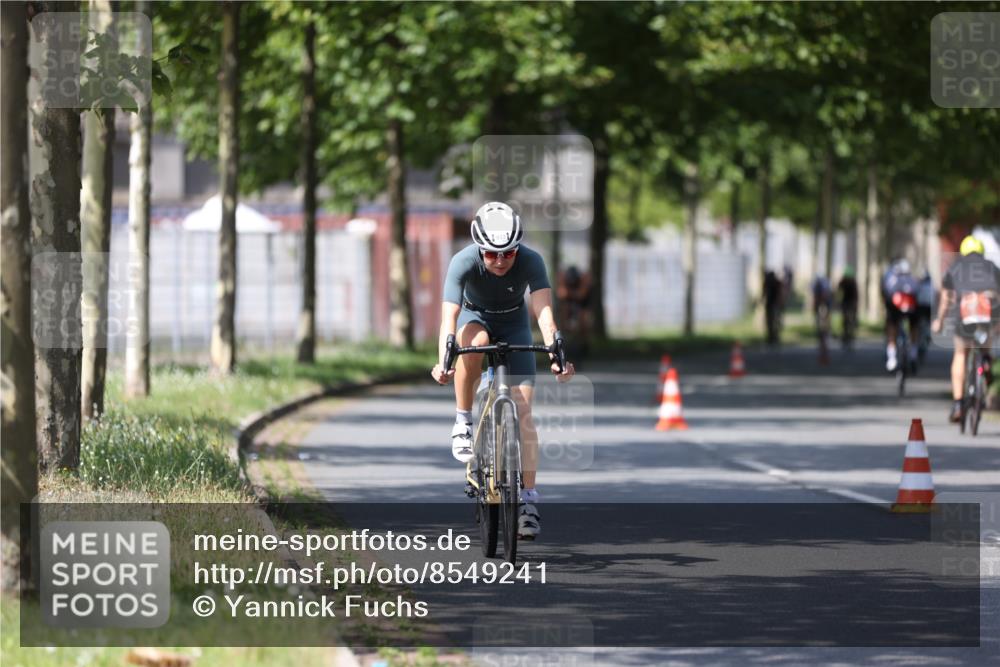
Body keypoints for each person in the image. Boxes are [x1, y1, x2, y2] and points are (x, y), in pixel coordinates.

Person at [431, 202, 575, 540]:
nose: (500, 260)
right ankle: (463, 420)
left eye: (508, 253)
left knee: (523, 413)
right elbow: (449, 319)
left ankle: (528, 500)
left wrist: (557, 354)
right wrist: (444, 362)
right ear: (479, 248)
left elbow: (544, 314)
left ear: (517, 248)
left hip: (514, 325)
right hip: (474, 319)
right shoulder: (463, 261)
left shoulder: (532, 261)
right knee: (476, 342)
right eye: (492, 254)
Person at [931, 235, 1000, 422]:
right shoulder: (992, 267)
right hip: (988, 310)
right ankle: (986, 363)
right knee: (985, 342)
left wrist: (940, 321)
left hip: (966, 312)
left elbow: (946, 299)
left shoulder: (955, 267)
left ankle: (958, 404)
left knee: (961, 354)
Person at [881, 258, 920, 372]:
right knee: (913, 326)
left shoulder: (892, 278)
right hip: (911, 310)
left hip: (895, 309)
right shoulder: (913, 280)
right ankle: (913, 353)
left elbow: (887, 294)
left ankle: (892, 357)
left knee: (892, 326)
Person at [837, 266, 859, 348]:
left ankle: (850, 335)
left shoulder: (852, 282)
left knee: (850, 320)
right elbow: (839, 292)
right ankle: (846, 335)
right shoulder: (844, 282)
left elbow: (856, 294)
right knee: (845, 320)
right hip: (846, 303)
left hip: (850, 303)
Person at [763, 270, 783, 346]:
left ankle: (773, 337)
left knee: (773, 321)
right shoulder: (772, 282)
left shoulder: (772, 282)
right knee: (772, 322)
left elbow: (764, 293)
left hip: (772, 304)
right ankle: (772, 337)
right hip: (772, 304)